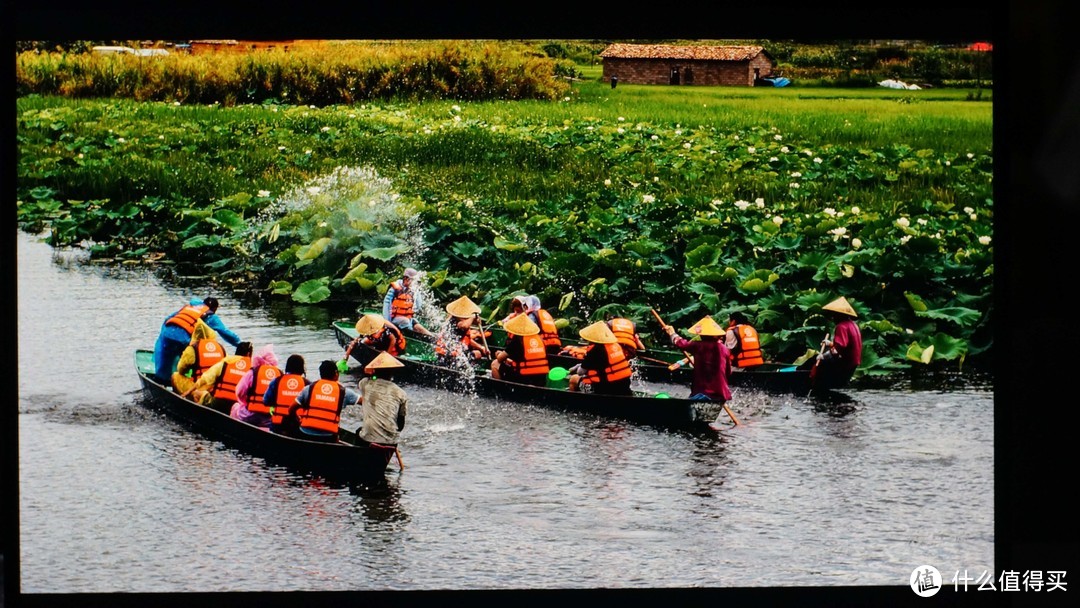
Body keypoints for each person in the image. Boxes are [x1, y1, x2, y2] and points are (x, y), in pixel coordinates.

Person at [153, 296, 241, 383]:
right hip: (183, 339)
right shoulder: (211, 317)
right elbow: (225, 333)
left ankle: (161, 378)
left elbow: (167, 319)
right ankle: (190, 380)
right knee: (192, 358)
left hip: (166, 333)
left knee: (166, 356)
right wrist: (240, 344)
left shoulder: (189, 307)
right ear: (214, 308)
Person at [664, 316, 733, 403]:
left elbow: (681, 343)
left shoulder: (698, 346)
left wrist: (672, 333)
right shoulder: (724, 349)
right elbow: (728, 372)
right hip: (721, 392)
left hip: (704, 391)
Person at [292, 359, 362, 442]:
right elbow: (365, 402)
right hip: (328, 435)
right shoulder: (344, 392)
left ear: (321, 374)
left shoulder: (309, 388)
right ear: (336, 373)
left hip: (306, 432)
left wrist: (299, 419)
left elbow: (291, 409)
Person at [354, 351, 408, 448]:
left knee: (359, 432)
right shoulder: (401, 393)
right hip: (392, 442)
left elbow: (367, 375)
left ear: (374, 370)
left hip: (368, 439)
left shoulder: (365, 384)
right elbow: (400, 426)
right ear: (392, 372)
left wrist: (370, 372)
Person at [180, 341, 254, 410]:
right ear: (248, 354)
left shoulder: (225, 363)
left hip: (218, 404)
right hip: (237, 406)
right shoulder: (253, 369)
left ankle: (195, 411)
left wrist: (188, 392)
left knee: (197, 393)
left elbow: (204, 379)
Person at [568, 321, 633, 395]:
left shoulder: (595, 350)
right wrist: (579, 365)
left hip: (605, 388)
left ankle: (573, 403)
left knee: (573, 379)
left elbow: (580, 372)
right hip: (624, 387)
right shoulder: (616, 345)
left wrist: (576, 369)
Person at [811, 296, 863, 390]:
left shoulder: (841, 326)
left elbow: (839, 348)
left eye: (834, 314)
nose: (832, 317)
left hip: (846, 362)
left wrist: (823, 357)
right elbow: (844, 345)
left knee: (813, 361)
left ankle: (813, 381)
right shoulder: (852, 324)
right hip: (853, 362)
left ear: (839, 315)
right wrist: (830, 343)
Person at [231, 343, 282, 428]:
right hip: (269, 417)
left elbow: (239, 391)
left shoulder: (253, 372)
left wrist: (245, 403)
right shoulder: (279, 375)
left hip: (250, 415)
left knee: (235, 406)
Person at [491, 314, 550, 386]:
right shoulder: (540, 339)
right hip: (541, 379)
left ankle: (501, 390)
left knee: (495, 364)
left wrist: (498, 354)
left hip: (523, 378)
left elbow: (500, 358)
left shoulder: (518, 339)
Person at [170, 319, 226, 395]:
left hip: (199, 389)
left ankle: (182, 399)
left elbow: (181, 369)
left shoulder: (193, 349)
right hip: (216, 389)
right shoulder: (221, 348)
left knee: (175, 376)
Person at [434, 295, 490, 363]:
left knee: (477, 352)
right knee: (477, 354)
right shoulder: (455, 322)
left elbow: (468, 340)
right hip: (446, 354)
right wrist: (472, 317)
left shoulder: (461, 321)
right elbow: (464, 326)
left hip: (455, 351)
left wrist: (481, 348)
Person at [267, 354, 310, 437]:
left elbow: (266, 401)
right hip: (299, 426)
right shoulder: (308, 384)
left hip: (277, 426)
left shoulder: (276, 381)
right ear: (302, 368)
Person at [382, 267, 432, 336]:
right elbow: (387, 303)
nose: (414, 282)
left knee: (417, 325)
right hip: (394, 318)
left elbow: (419, 305)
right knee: (406, 322)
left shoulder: (413, 289)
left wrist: (416, 293)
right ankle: (411, 336)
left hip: (407, 318)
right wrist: (387, 322)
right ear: (406, 279)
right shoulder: (395, 288)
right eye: (413, 280)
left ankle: (432, 336)